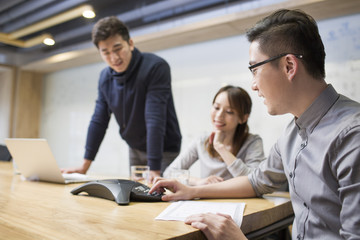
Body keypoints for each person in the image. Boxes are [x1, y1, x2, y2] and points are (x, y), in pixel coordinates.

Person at [150, 9, 360, 239]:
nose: (253, 85)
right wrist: (192, 191)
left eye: (255, 69)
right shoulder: (292, 133)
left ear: (289, 66)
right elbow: (256, 181)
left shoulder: (352, 136)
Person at [62, 16, 182, 182]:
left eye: (117, 48)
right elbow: (99, 120)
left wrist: (154, 169)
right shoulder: (105, 78)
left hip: (164, 149)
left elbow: (154, 118)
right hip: (134, 147)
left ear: (130, 43)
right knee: (136, 194)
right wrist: (84, 166)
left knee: (159, 195)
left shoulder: (155, 67)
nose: (113, 57)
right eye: (106, 52)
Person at [163, 85, 265, 186]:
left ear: (243, 118)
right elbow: (169, 173)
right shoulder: (202, 140)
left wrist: (220, 147)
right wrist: (199, 181)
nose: (219, 115)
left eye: (229, 112)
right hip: (208, 200)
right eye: (216, 107)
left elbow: (254, 180)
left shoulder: (252, 142)